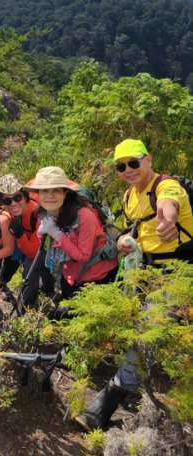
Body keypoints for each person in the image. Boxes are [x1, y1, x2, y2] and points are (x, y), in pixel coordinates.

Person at [76, 138, 193, 432]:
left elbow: (169, 204)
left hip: (179, 272)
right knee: (142, 325)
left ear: (148, 160)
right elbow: (138, 229)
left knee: (145, 333)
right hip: (147, 271)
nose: (128, 169)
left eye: (133, 162)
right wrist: (127, 242)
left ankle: (113, 395)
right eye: (120, 166)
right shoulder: (130, 195)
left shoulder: (166, 187)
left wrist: (169, 217)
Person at [23, 167, 119, 300]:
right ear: (37, 194)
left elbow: (83, 255)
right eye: (44, 190)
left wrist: (56, 234)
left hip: (96, 274)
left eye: (56, 190)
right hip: (69, 274)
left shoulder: (84, 215)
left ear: (65, 193)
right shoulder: (44, 213)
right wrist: (41, 233)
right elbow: (46, 246)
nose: (50, 196)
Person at [0, 174, 45, 307]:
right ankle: (2, 281)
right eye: (7, 200)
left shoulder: (37, 215)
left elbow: (33, 253)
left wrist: (20, 234)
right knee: (11, 260)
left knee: (30, 266)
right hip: (20, 240)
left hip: (34, 245)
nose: (13, 203)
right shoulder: (7, 210)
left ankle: (27, 304)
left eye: (17, 197)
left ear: (25, 196)